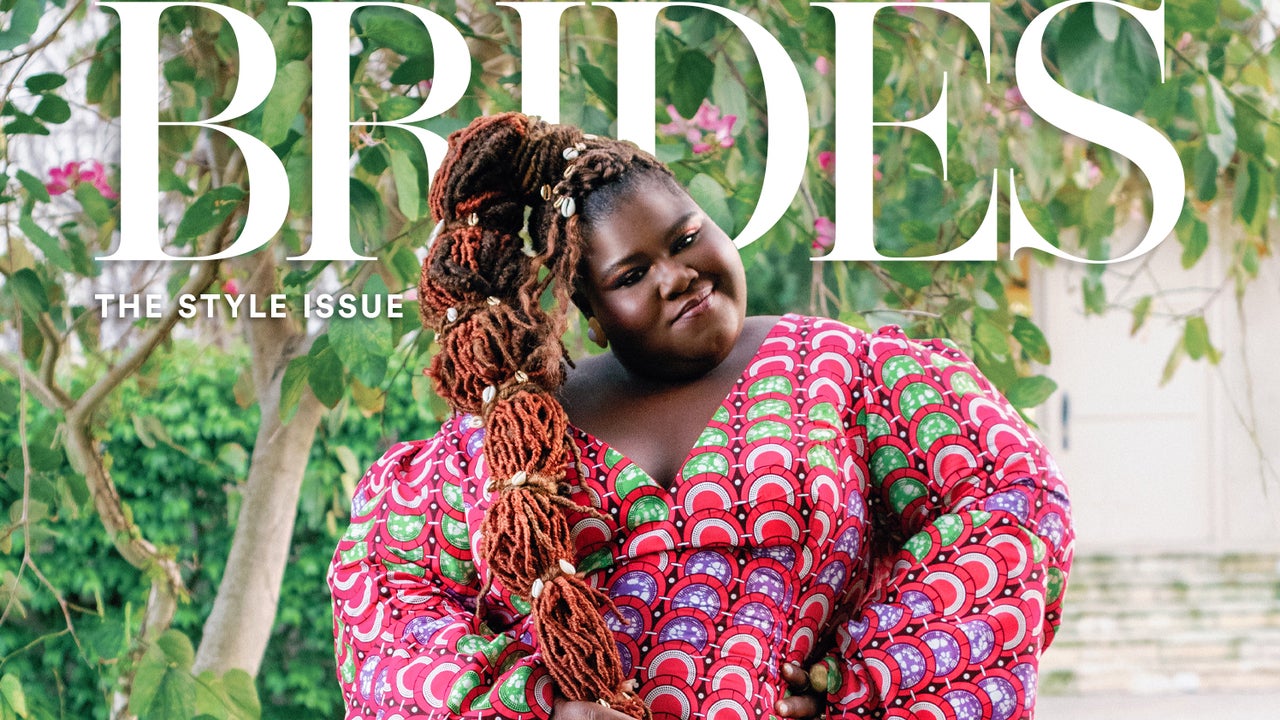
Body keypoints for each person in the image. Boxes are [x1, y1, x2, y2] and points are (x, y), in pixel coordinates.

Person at [328, 112, 1074, 720]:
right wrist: (541, 709)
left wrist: (867, 675)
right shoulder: (512, 432)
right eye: (632, 274)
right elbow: (385, 590)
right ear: (591, 313)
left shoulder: (849, 374)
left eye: (686, 237)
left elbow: (1011, 503)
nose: (678, 275)